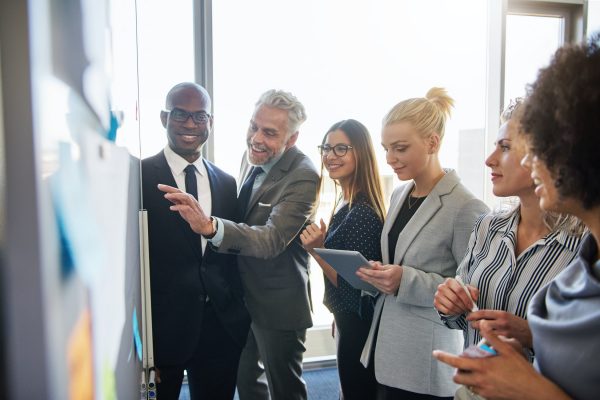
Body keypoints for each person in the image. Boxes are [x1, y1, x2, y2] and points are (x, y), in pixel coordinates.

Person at [433, 34, 600, 400]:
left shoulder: (578, 247)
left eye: (510, 147)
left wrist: (530, 366)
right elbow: (464, 313)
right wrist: (453, 303)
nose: (492, 159)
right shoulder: (489, 226)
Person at [158, 89, 319, 400]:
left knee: (285, 389)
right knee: (247, 384)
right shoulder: (254, 156)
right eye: (253, 126)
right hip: (241, 302)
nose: (256, 138)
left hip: (278, 304)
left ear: (292, 138)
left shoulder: (304, 176)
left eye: (270, 133)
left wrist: (210, 226)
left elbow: (271, 239)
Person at [356, 88, 489, 399]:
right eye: (386, 148)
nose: (390, 159)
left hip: (425, 357)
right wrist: (380, 274)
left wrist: (405, 279)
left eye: (400, 148)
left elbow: (470, 291)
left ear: (433, 142)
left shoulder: (465, 206)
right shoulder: (399, 194)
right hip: (386, 346)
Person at [141, 82, 250, 399]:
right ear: (164, 118)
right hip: (162, 332)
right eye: (180, 114)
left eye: (200, 116)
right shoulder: (139, 176)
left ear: (210, 123)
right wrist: (141, 343)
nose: (190, 124)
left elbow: (232, 253)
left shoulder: (227, 183)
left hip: (219, 329)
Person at [300, 119, 386, 399]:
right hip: (348, 317)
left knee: (356, 392)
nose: (330, 156)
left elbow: (357, 282)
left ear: (360, 153)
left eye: (341, 148)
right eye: (326, 148)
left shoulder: (361, 211)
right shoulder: (346, 202)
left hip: (359, 325)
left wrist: (316, 249)